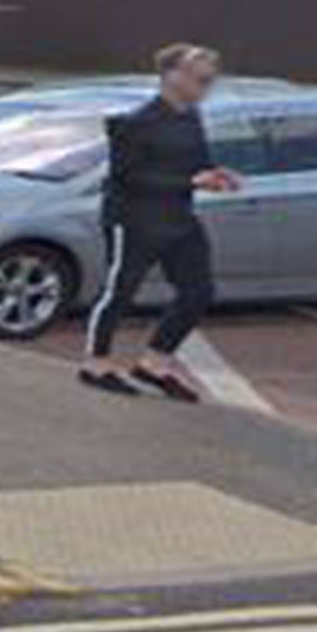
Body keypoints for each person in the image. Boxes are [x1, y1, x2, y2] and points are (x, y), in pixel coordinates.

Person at [80, 42, 240, 403]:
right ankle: (95, 364)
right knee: (119, 292)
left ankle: (154, 363)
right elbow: (127, 178)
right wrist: (189, 182)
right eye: (199, 77)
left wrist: (214, 175)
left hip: (178, 218)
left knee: (198, 291)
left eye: (210, 79)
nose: (206, 85)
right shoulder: (135, 123)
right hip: (134, 219)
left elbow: (195, 164)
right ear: (171, 76)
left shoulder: (192, 117)